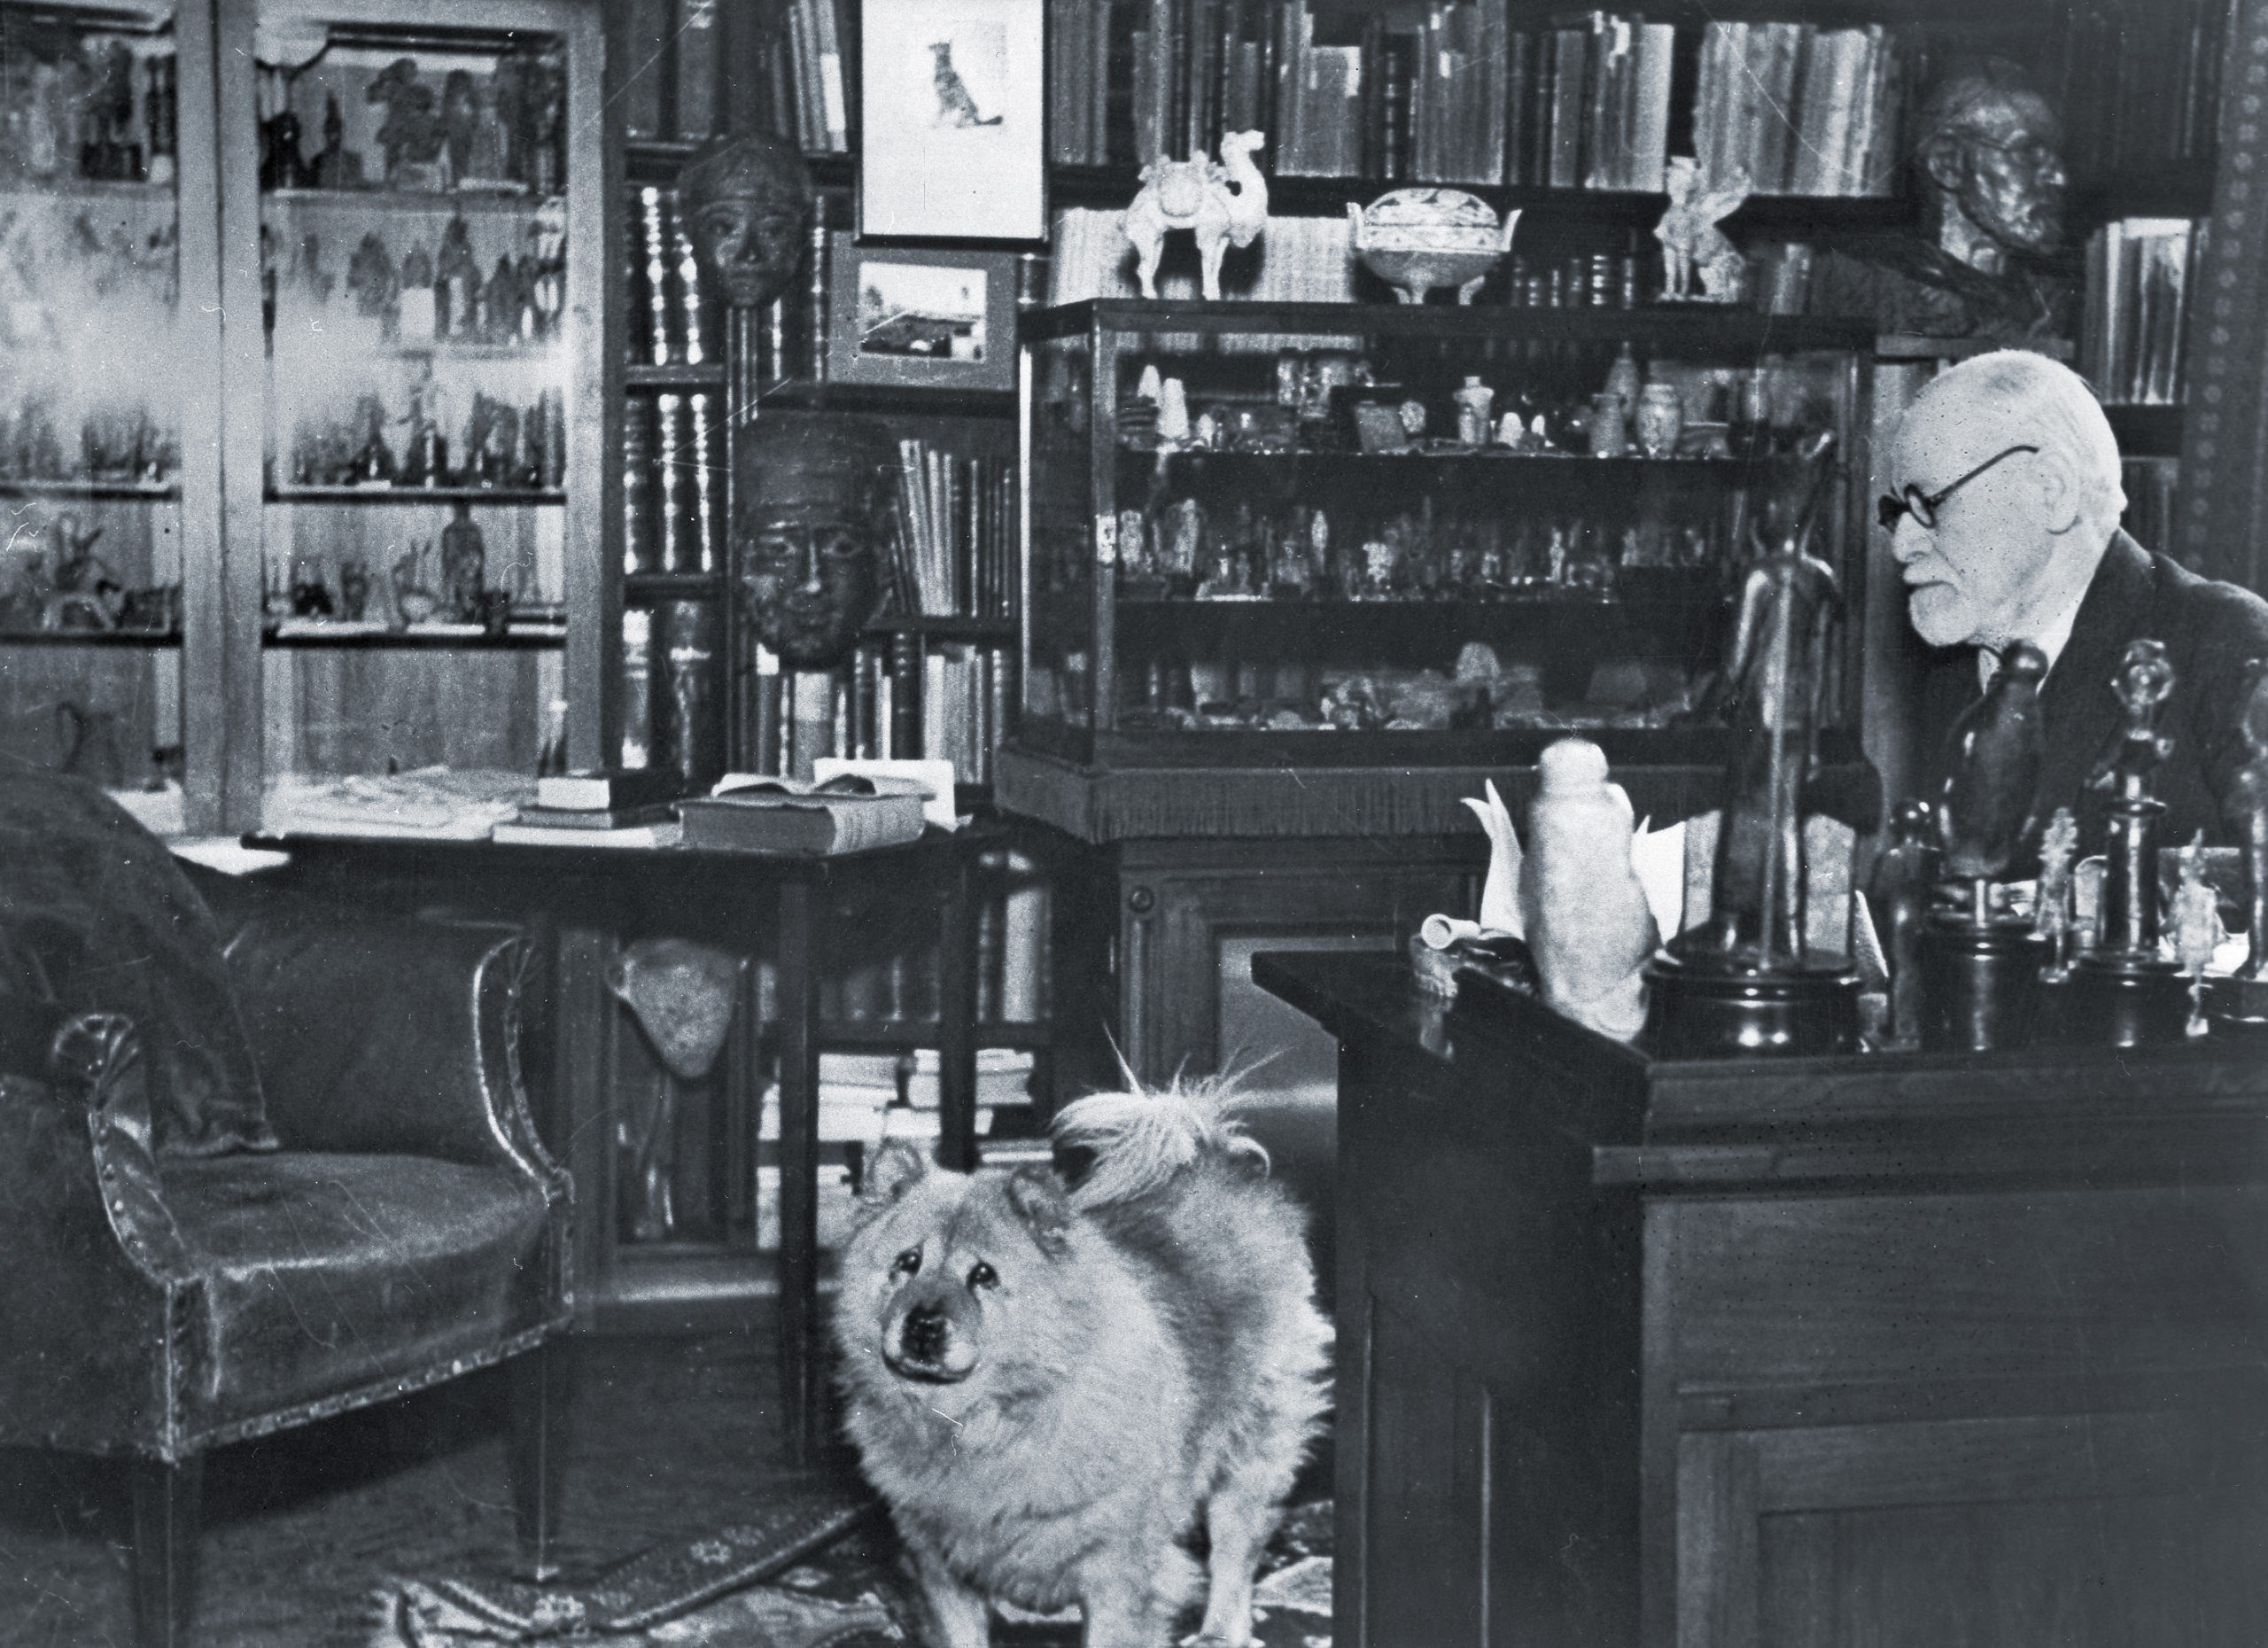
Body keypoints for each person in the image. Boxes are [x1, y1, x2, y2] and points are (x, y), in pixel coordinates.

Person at [1891, 351, 2268, 870]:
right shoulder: (1951, 677)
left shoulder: (2227, 645)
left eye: (1928, 504)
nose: (1902, 544)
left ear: (2053, 490)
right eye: (1896, 512)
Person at [1808, 58, 2074, 345]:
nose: (2059, 178)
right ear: (1948, 163)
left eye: (2057, 157)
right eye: (2028, 153)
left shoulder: (2050, 299)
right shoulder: (1875, 283)